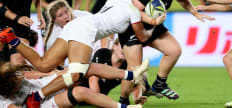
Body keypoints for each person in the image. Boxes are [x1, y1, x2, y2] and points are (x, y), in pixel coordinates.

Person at [0, 0, 165, 107]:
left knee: (44, 65)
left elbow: (118, 17)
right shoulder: (132, 10)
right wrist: (154, 26)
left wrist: (151, 19)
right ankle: (37, 96)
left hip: (76, 25)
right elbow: (142, 37)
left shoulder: (113, 0)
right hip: (85, 29)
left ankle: (12, 39)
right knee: (76, 73)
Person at [118, 0, 214, 104]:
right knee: (135, 71)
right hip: (133, 26)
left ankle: (159, 84)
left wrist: (194, 12)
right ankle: (123, 101)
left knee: (174, 50)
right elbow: (134, 10)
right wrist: (152, 22)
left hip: (153, 25)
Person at [0, 62, 142, 108]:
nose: (19, 79)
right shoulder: (2, 100)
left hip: (46, 85)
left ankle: (132, 75)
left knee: (85, 67)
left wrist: (50, 75)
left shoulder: (8, 74)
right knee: (80, 92)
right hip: (41, 104)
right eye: (16, 82)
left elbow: (27, 75)